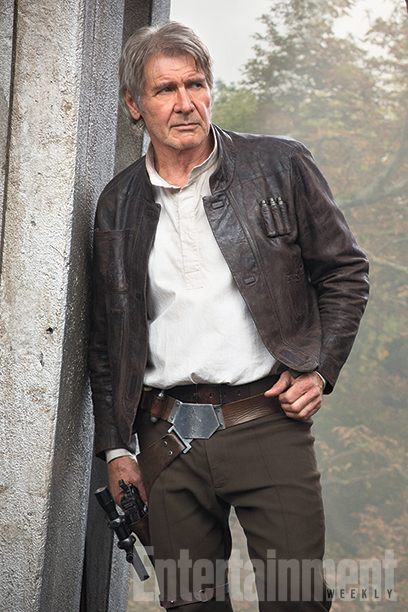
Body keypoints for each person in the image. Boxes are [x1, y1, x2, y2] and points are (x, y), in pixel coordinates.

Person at [89, 21, 369, 611]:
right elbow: (105, 340)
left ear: (210, 89)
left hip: (266, 420)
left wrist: (321, 369)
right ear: (134, 105)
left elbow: (345, 270)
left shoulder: (280, 164)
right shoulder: (117, 204)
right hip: (164, 440)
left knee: (297, 599)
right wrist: (116, 449)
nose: (185, 103)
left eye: (195, 84)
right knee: (191, 605)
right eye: (165, 89)